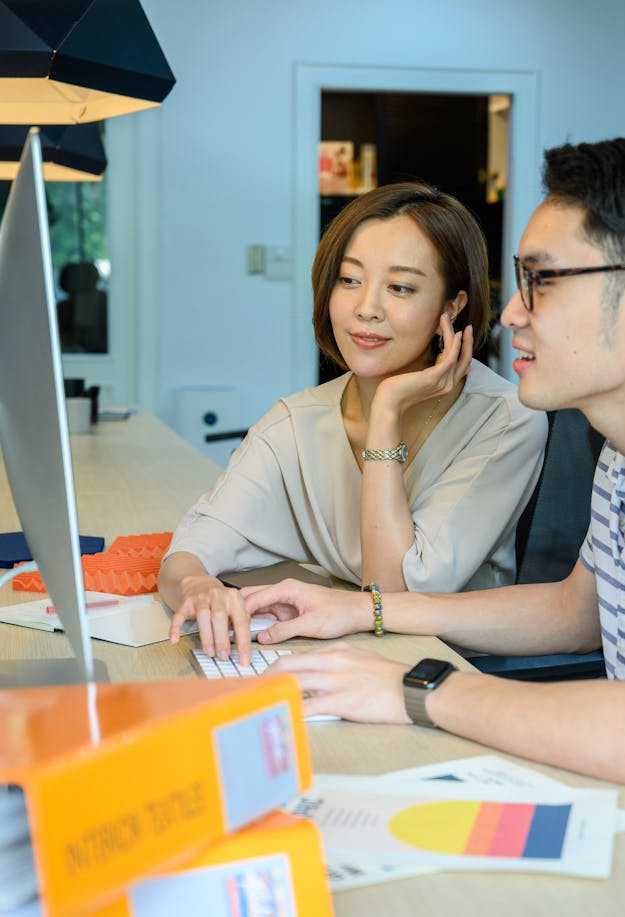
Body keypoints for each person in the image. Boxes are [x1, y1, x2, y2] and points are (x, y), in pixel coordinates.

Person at [241, 136, 625, 829]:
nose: (512, 313)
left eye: (541, 281)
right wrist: (362, 612)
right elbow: (579, 610)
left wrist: (415, 687)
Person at [160, 182, 547, 656]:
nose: (367, 308)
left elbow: (392, 598)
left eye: (400, 288)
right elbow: (187, 554)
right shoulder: (296, 423)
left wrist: (385, 413)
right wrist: (198, 588)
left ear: (451, 307)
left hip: (449, 667)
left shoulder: (506, 419)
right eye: (349, 280)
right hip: (343, 651)